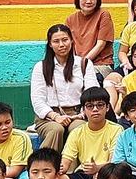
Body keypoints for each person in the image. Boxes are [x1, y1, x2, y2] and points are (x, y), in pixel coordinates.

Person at [30, 23, 101, 154]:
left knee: (78, 128)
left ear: (72, 40)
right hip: (48, 117)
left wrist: (82, 114)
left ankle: (73, 166)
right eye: (56, 41)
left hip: (78, 114)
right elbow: (37, 100)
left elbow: (92, 94)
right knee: (56, 129)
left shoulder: (84, 64)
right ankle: (44, 163)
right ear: (50, 44)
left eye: (65, 40)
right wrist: (55, 116)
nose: (61, 45)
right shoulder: (41, 67)